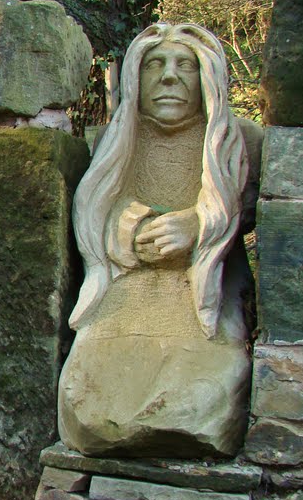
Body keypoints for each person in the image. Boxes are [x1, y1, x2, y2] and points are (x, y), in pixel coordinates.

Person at [58, 22, 255, 457]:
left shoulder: (238, 143)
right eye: (156, 65)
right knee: (89, 396)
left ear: (207, 76)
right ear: (135, 77)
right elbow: (95, 209)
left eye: (185, 64)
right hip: (123, 296)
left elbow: (243, 214)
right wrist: (127, 230)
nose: (170, 77)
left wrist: (198, 225)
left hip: (201, 299)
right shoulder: (114, 140)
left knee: (207, 397)